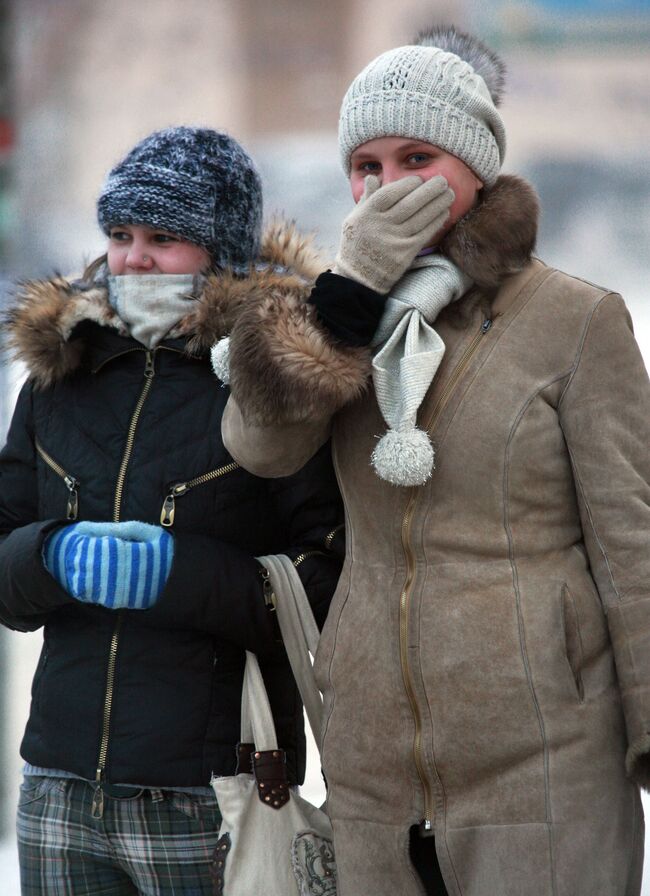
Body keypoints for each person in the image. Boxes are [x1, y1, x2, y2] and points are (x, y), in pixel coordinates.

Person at [218, 25, 650, 896]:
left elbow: (632, 542)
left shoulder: (574, 320)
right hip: (376, 769)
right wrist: (346, 298)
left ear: (475, 169)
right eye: (367, 167)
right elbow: (259, 448)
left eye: (418, 157)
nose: (387, 187)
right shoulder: (335, 321)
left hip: (546, 761)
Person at [0, 125, 344, 896]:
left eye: (164, 237)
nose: (134, 259)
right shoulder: (61, 378)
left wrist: (176, 575)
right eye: (120, 234)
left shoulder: (275, 382)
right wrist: (49, 553)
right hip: (57, 788)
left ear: (220, 252)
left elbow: (327, 583)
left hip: (211, 796)